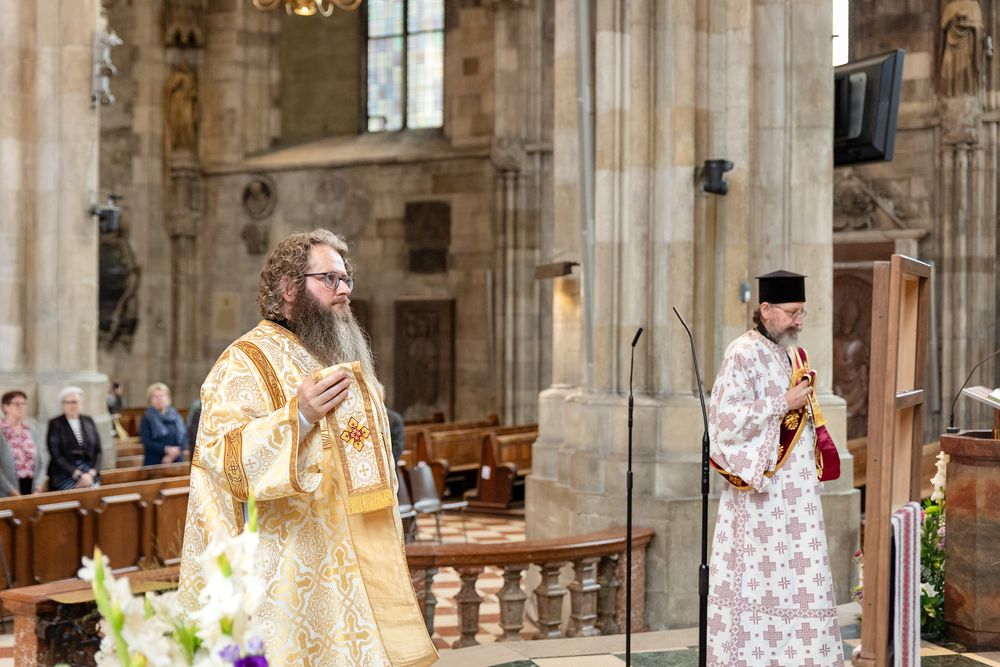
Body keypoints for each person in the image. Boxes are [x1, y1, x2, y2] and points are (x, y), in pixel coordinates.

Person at [178, 229, 437, 667]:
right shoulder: (244, 361)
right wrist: (296, 418)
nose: (345, 290)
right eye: (330, 279)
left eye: (346, 278)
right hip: (286, 574)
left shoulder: (330, 355)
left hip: (349, 567)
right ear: (289, 287)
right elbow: (221, 460)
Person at [706, 271, 842, 666]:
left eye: (802, 313)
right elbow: (724, 420)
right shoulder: (741, 353)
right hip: (761, 496)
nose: (799, 321)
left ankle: (804, 656)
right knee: (762, 578)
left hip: (798, 494)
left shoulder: (792, 353)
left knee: (802, 577)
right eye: (793, 313)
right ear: (765, 310)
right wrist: (783, 403)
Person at [47, 387, 102, 491]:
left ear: (81, 403)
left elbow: (98, 451)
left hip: (89, 473)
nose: (71, 405)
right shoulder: (55, 424)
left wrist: (92, 473)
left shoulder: (89, 421)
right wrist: (77, 475)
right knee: (73, 494)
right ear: (61, 405)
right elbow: (56, 455)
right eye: (66, 402)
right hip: (65, 474)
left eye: (74, 402)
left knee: (94, 493)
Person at [0, 391, 48, 495]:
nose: (21, 407)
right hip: (7, 491)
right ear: (5, 407)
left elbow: (42, 461)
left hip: (32, 487)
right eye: (17, 404)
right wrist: (11, 491)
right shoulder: (1, 431)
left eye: (24, 404)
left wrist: (38, 487)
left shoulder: (31, 430)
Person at [139, 383, 187, 466]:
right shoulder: (147, 419)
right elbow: (147, 442)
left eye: (162, 396)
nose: (159, 399)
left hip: (176, 460)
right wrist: (166, 450)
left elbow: (184, 437)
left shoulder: (176, 416)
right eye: (155, 397)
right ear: (150, 400)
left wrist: (171, 456)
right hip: (155, 461)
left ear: (168, 398)